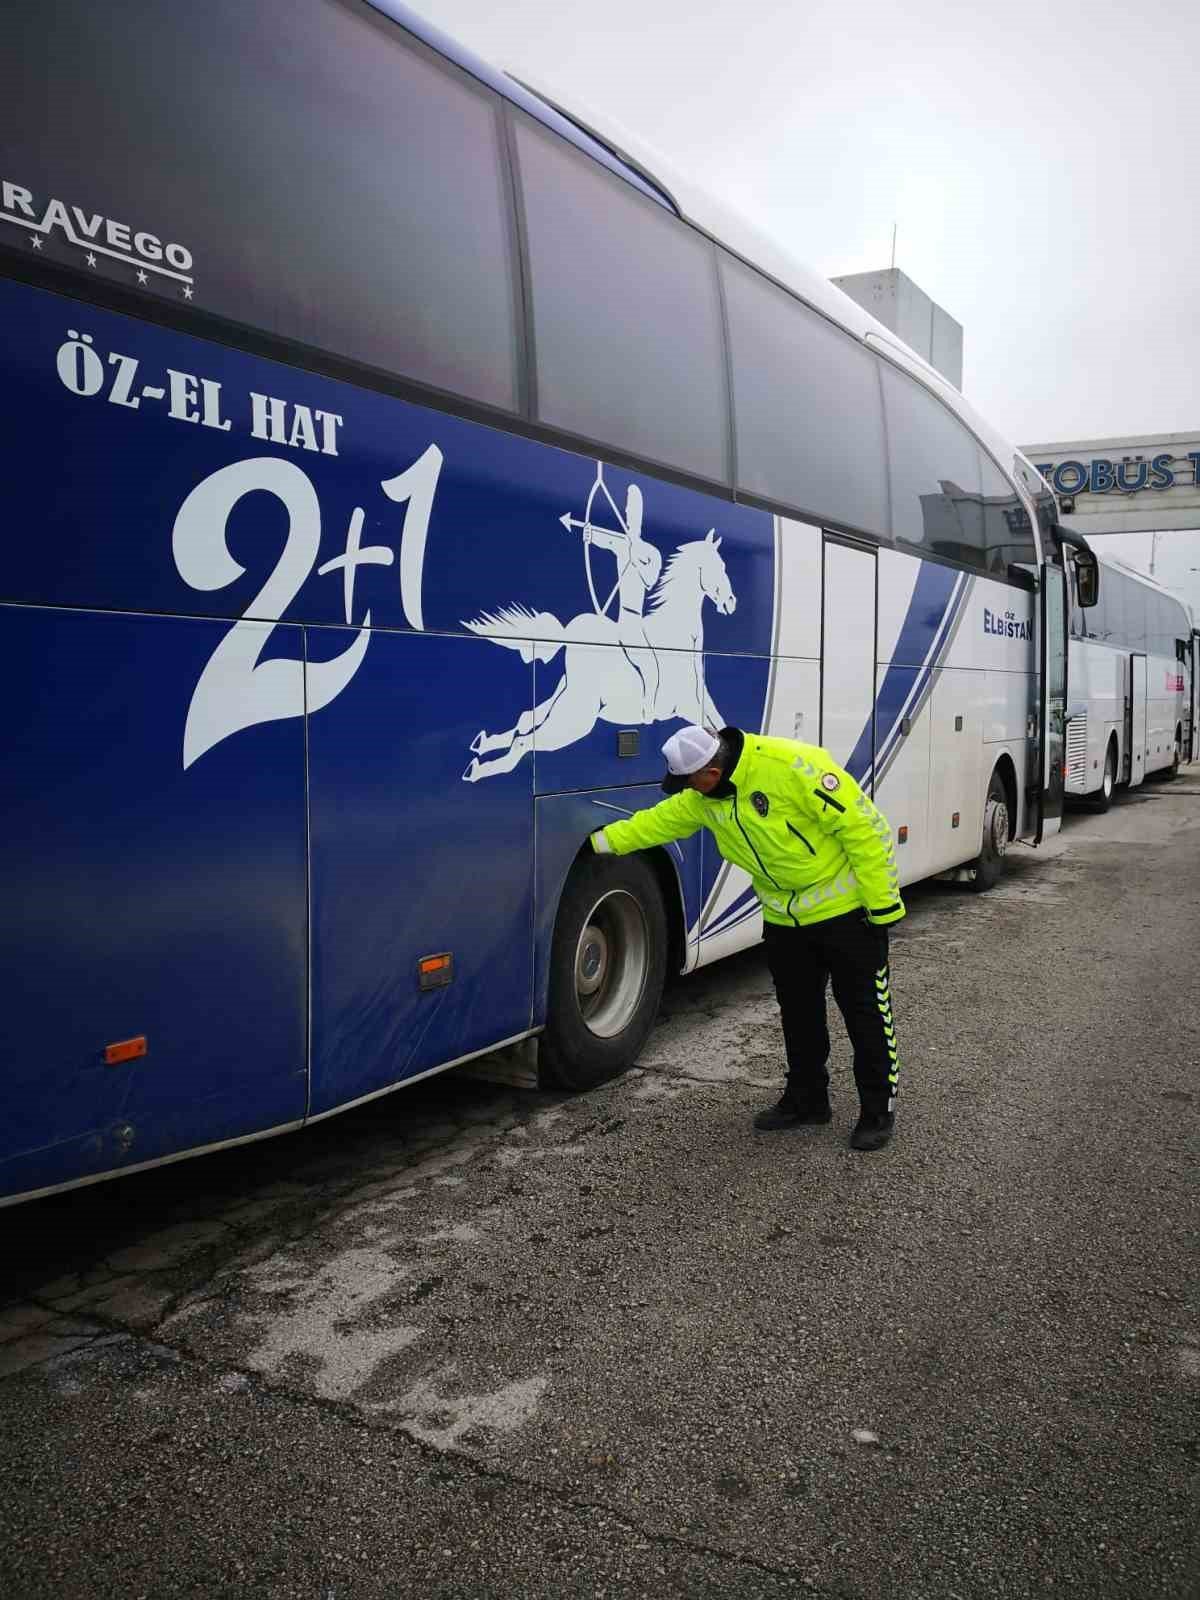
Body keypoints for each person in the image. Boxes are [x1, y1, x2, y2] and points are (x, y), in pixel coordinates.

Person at [589, 724, 904, 1150]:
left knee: (865, 1012)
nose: (687, 793)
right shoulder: (707, 799)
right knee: (799, 1013)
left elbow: (865, 829)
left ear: (711, 774)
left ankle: (877, 1109)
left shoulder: (792, 767)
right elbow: (658, 823)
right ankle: (807, 1100)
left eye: (689, 784)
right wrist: (600, 843)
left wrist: (882, 906)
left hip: (846, 916)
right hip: (784, 922)